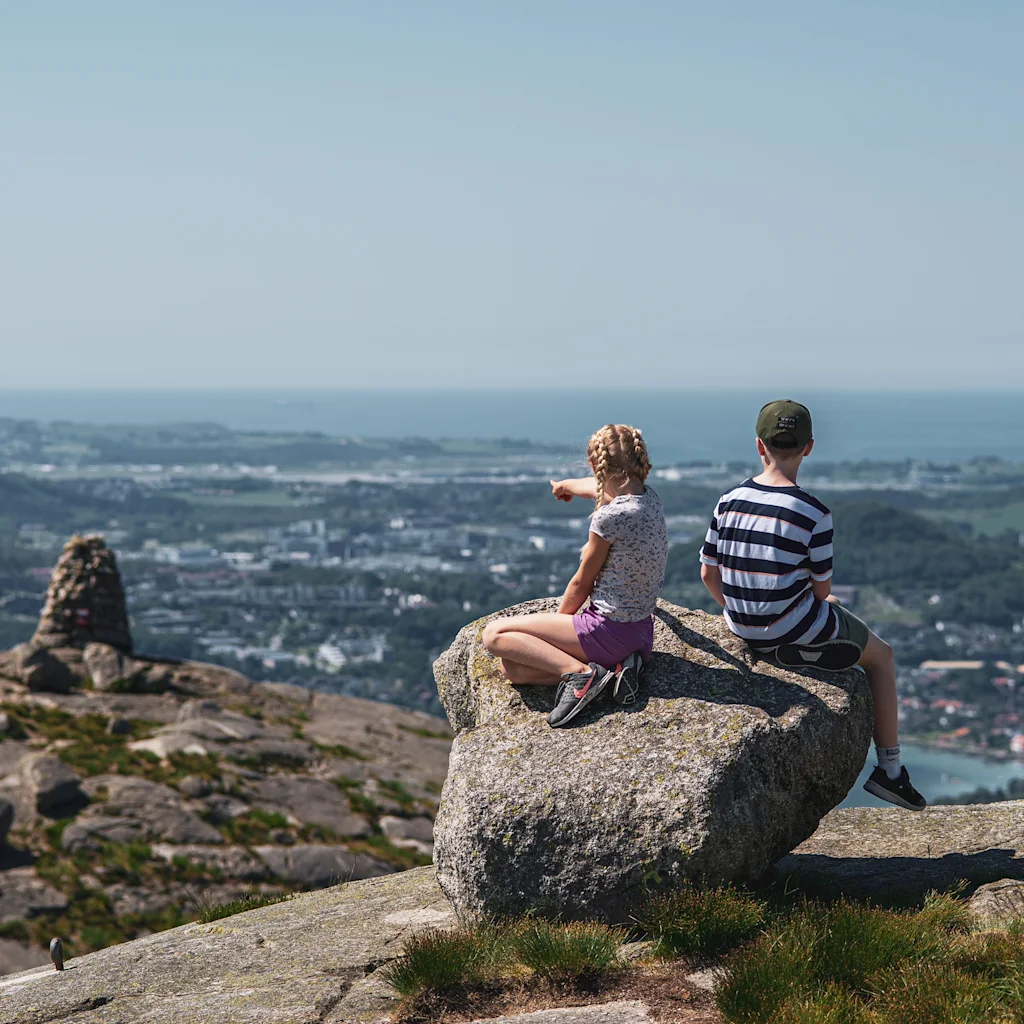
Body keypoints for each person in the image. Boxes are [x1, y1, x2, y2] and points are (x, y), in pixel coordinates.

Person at [698, 399, 927, 811]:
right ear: (809, 447)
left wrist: (739, 611)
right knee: (883, 657)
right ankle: (891, 773)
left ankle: (787, 644)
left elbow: (708, 576)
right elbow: (821, 592)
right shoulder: (813, 513)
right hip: (792, 624)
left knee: (817, 613)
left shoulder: (727, 501)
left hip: (741, 625)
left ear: (758, 445)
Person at [481, 423, 668, 728]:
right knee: (512, 669)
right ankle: (612, 673)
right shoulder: (650, 499)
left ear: (596, 466)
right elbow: (602, 488)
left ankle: (580, 674)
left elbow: (582, 582)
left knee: (495, 636)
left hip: (605, 630)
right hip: (639, 636)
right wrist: (566, 485)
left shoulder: (610, 518)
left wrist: (559, 630)